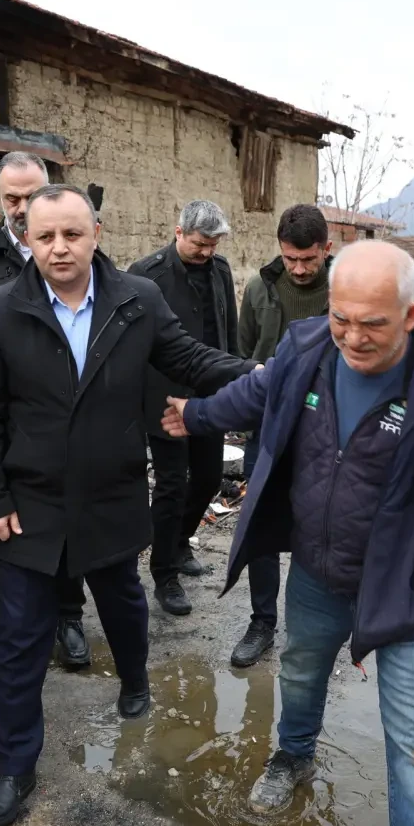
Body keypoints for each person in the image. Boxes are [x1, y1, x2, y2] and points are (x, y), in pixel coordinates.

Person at [161, 240, 414, 826]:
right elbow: (259, 394)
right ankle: (293, 755)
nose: (353, 337)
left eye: (373, 324)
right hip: (318, 570)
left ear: (411, 317)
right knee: (302, 671)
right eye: (342, 318)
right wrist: (197, 414)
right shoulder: (307, 347)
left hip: (413, 594)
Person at [0, 184, 257, 826]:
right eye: (46, 237)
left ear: (96, 233)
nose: (60, 248)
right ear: (28, 240)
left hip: (113, 492)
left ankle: (135, 680)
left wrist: (266, 377)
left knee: (122, 601)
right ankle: (14, 767)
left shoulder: (136, 301)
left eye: (72, 234)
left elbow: (192, 361)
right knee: (19, 637)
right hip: (29, 503)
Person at [0, 151, 92, 669]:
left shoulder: (78, 248)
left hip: (66, 417)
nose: (20, 207)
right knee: (20, 529)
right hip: (8, 417)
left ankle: (70, 617)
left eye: (30, 196)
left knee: (68, 519)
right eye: (11, 198)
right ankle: (27, 622)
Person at [229, 203, 333, 667]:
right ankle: (262, 622)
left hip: (330, 436)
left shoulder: (349, 289)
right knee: (263, 528)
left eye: (308, 259)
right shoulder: (258, 289)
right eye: (290, 258)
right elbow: (242, 354)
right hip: (270, 432)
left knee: (324, 527)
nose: (298, 268)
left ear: (326, 249)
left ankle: (317, 626)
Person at [127, 200, 239, 616]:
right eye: (198, 244)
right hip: (164, 399)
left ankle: (178, 543)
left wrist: (236, 382)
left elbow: (229, 333)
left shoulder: (221, 270)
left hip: (209, 396)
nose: (206, 252)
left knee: (209, 478)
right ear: (179, 232)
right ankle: (164, 574)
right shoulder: (146, 275)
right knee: (172, 486)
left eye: (212, 244)